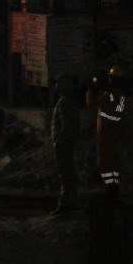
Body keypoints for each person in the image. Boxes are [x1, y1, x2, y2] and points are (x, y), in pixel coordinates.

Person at [94, 65, 129, 200]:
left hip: (106, 133)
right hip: (114, 133)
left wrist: (92, 89)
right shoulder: (121, 96)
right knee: (114, 162)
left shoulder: (109, 95)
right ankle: (114, 189)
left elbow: (92, 103)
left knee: (106, 162)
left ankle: (110, 190)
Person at [51, 74, 80, 214]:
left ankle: (66, 204)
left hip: (63, 145)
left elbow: (66, 127)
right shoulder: (69, 102)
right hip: (67, 143)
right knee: (68, 173)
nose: (56, 86)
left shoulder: (64, 103)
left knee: (65, 174)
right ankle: (70, 202)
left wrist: (58, 142)